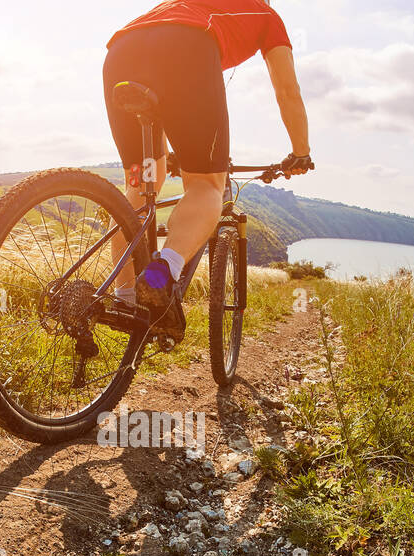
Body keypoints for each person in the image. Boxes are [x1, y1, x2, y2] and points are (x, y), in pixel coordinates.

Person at [103, 0, 312, 342]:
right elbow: (287, 90)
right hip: (185, 45)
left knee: (141, 183)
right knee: (206, 186)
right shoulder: (266, 15)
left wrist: (169, 150)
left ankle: (125, 304)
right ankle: (161, 274)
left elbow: (159, 58)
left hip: (121, 51)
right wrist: (301, 151)